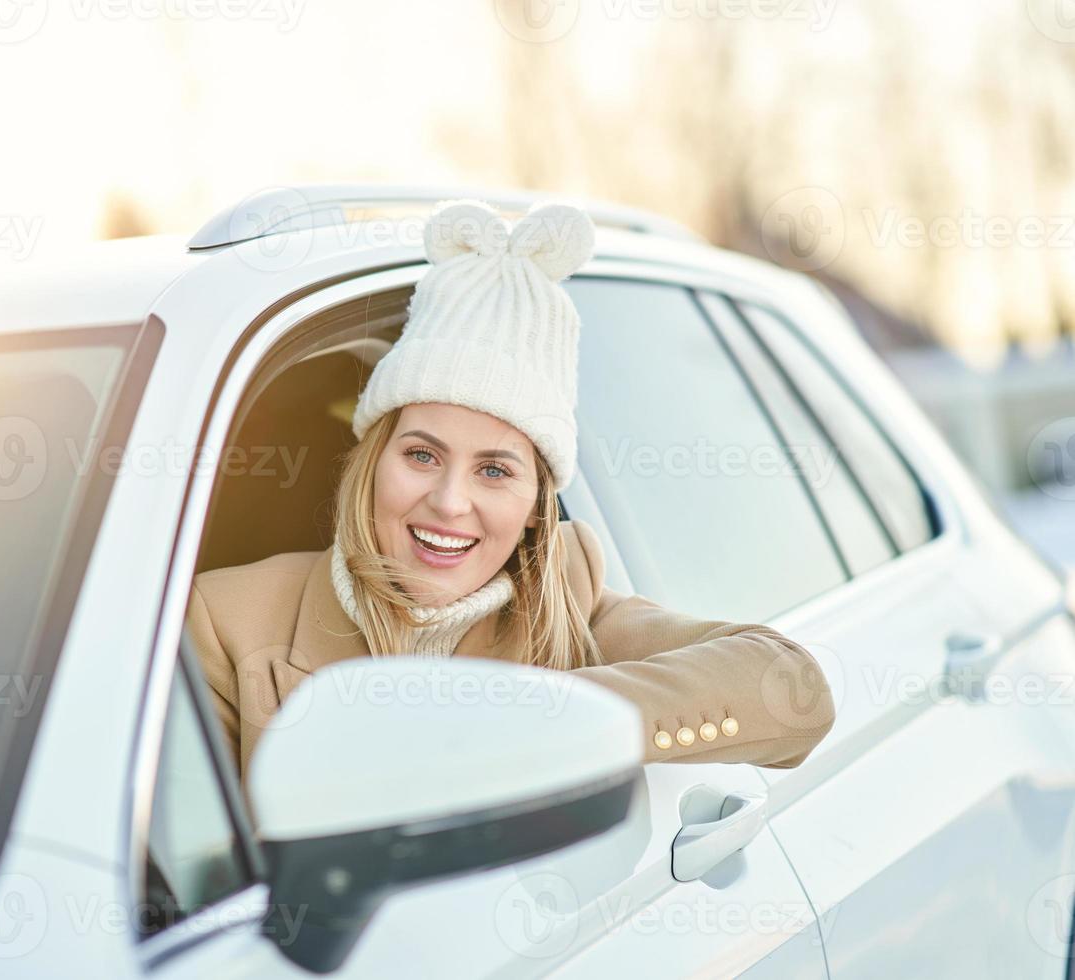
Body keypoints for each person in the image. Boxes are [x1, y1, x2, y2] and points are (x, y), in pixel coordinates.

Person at [184, 198, 835, 783]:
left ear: (534, 508)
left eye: (494, 470)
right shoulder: (225, 622)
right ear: (373, 460)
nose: (448, 502)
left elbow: (792, 687)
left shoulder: (571, 604)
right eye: (421, 454)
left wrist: (522, 722)